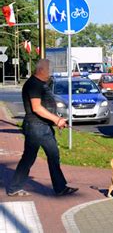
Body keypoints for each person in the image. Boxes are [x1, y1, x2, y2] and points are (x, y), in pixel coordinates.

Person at [7, 59, 78, 197]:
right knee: (42, 156)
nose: (50, 73)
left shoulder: (40, 84)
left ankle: (58, 187)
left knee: (44, 156)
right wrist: (56, 119)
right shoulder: (33, 84)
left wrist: (54, 120)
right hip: (36, 127)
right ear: (41, 70)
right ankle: (58, 188)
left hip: (42, 126)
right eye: (48, 70)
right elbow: (37, 108)